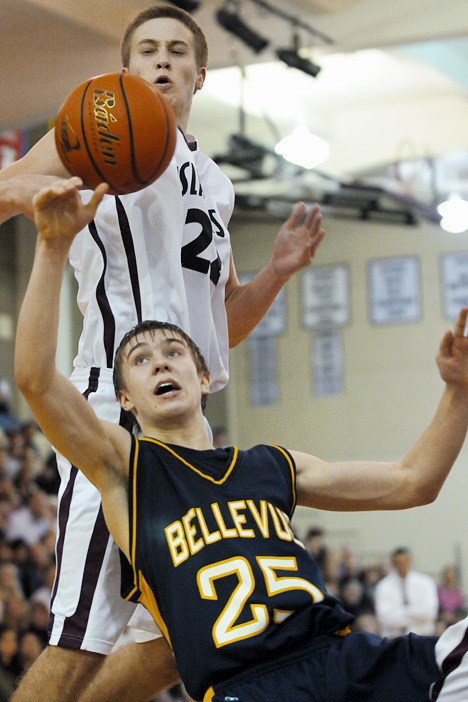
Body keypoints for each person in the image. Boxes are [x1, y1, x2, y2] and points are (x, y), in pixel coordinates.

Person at [14, 177, 468, 701]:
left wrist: (457, 392)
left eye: (174, 351)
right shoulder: (125, 467)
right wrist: (51, 247)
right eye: (140, 359)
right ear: (126, 400)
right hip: (246, 688)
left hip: (342, 661)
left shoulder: (272, 464)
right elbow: (35, 379)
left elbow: (414, 482)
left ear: (204, 377)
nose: (159, 358)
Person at [2, 6, 325, 701]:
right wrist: (42, 194)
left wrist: (276, 273)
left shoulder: (215, 181)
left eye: (178, 51)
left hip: (188, 417)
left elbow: (224, 326)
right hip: (112, 410)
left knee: (175, 644)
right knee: (81, 639)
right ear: (125, 70)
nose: (163, 61)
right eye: (147, 49)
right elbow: (4, 190)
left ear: (200, 74)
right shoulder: (94, 130)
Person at [374, 546, 439, 638]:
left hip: (423, 635)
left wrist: (403, 611)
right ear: (393, 563)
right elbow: (384, 618)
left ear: (410, 561)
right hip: (394, 638)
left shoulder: (426, 582)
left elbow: (430, 612)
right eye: (398, 563)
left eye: (405, 562)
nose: (402, 565)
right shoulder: (383, 586)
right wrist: (414, 613)